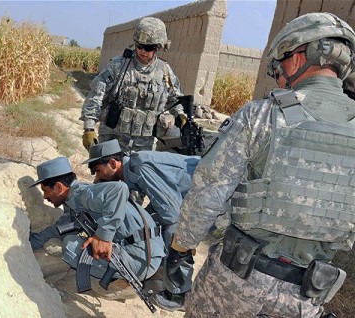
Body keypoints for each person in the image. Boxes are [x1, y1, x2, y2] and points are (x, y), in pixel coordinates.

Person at [172, 12, 355, 317]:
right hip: (306, 297)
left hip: (234, 284)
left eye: (277, 68)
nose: (278, 77)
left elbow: (209, 193)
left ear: (296, 59)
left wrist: (182, 245)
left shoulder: (262, 116)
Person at [83, 139, 200, 311]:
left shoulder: (141, 166)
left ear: (113, 163)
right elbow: (162, 200)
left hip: (212, 194)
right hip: (190, 197)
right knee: (154, 223)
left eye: (98, 171)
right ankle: (161, 272)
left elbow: (173, 213)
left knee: (175, 233)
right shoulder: (133, 168)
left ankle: (178, 294)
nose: (98, 178)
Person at [28, 157, 165, 293]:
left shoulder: (83, 194)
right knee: (71, 239)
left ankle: (119, 287)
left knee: (70, 245)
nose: (45, 197)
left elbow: (120, 189)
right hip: (147, 253)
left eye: (45, 191)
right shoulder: (76, 199)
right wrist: (28, 243)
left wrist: (103, 236)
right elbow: (57, 230)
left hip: (141, 259)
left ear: (58, 187)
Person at [80, 16, 186, 153]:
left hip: (143, 144)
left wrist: (181, 115)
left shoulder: (164, 71)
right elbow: (96, 95)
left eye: (148, 48)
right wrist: (89, 128)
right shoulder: (118, 65)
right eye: (139, 46)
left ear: (158, 47)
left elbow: (174, 98)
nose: (142, 51)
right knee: (108, 174)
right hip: (112, 138)